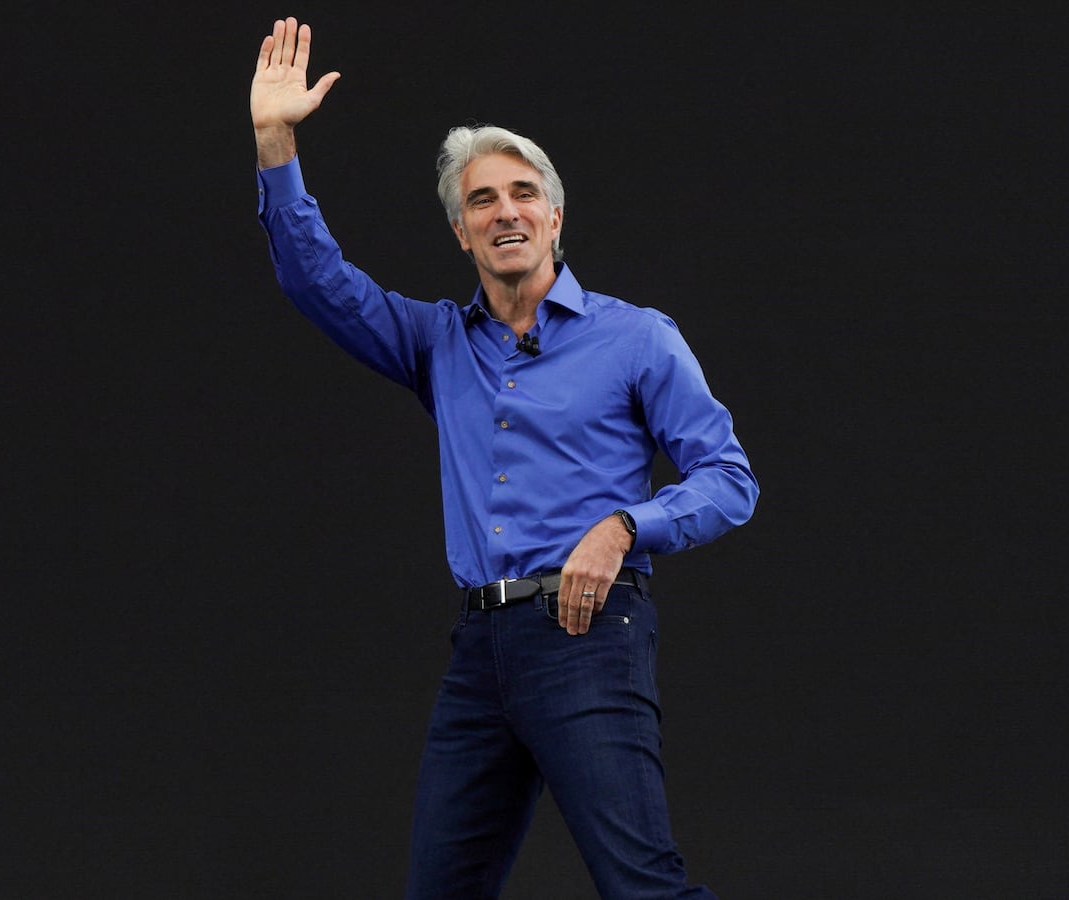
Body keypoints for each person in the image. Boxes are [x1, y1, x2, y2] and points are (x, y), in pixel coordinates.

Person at [250, 17, 758, 899]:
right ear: (461, 232)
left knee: (642, 885)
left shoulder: (635, 338)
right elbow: (316, 280)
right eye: (482, 200)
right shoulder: (438, 343)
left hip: (587, 635)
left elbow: (729, 477)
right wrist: (274, 140)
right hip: (480, 649)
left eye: (522, 193)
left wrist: (624, 526)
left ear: (555, 217)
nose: (505, 211)